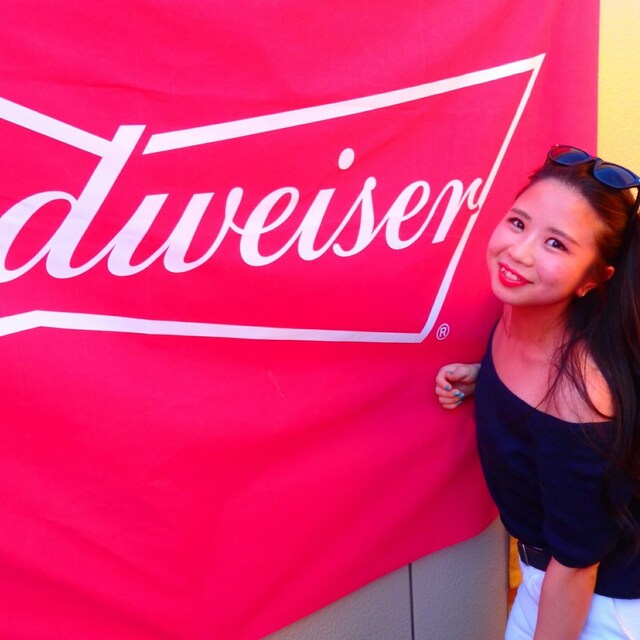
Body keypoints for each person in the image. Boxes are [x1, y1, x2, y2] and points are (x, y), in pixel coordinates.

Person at [435, 145, 640, 639]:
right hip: (542, 575)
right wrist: (485, 377)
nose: (520, 253)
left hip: (598, 603)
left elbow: (577, 564)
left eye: (556, 245)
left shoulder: (577, 396)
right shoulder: (523, 310)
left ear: (593, 280)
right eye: (518, 223)